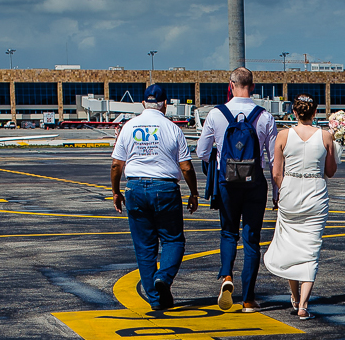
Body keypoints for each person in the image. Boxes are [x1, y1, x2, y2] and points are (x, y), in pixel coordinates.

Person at [110, 83, 197, 313]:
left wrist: (116, 191)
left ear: (142, 104)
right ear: (165, 104)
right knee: (173, 240)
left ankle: (156, 299)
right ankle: (164, 278)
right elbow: (186, 167)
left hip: (136, 187)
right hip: (165, 188)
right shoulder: (172, 128)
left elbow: (117, 164)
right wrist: (194, 192)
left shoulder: (129, 127)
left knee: (145, 247)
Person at [196, 67, 277, 313]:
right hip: (255, 184)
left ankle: (227, 277)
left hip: (227, 182)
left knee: (228, 232)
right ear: (252, 86)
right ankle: (249, 299)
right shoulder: (265, 116)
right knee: (252, 239)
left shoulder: (216, 114)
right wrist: (276, 193)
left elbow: (201, 152)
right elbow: (274, 160)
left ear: (230, 85)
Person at [262, 94, 337, 320]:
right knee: (310, 248)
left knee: (291, 245)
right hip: (315, 194)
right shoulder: (325, 136)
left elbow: (276, 172)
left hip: (290, 192)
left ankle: (295, 297)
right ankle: (303, 304)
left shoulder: (283, 135)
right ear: (315, 113)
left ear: (294, 113)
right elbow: (331, 171)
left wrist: (285, 190)